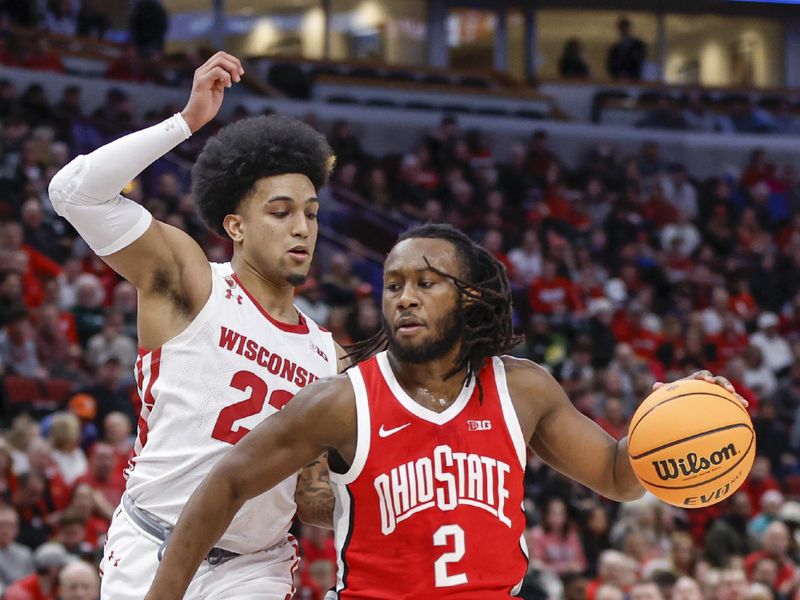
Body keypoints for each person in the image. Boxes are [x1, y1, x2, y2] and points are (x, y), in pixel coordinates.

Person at [144, 223, 744, 600]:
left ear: (471, 297)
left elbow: (618, 475)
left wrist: (679, 415)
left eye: (426, 283)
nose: (404, 296)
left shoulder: (523, 390)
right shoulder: (343, 400)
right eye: (393, 283)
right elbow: (223, 484)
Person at [48, 51, 344, 600]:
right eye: (281, 212)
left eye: (312, 212)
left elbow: (309, 497)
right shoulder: (192, 283)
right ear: (235, 224)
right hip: (149, 543)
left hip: (253, 568)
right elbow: (73, 192)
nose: (302, 227)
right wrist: (186, 121)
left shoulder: (330, 358)